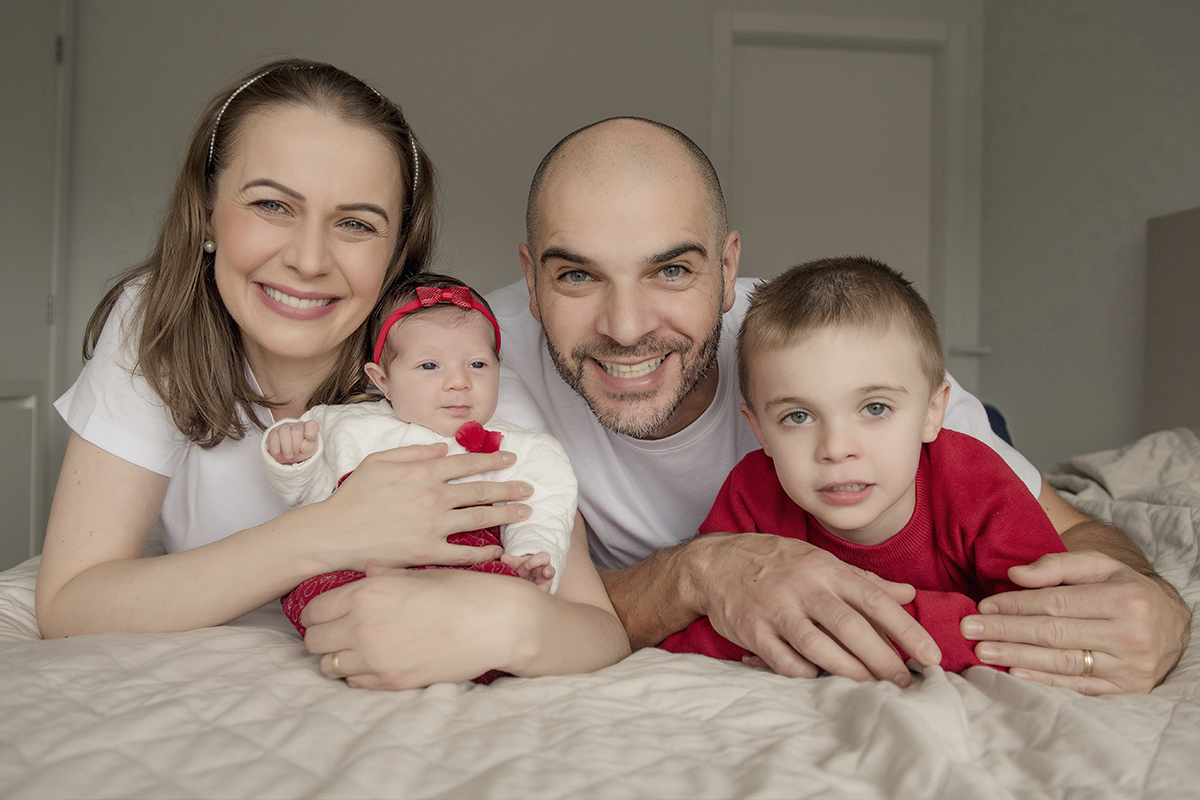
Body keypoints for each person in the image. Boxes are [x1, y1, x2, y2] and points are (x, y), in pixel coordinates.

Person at [301, 116, 1188, 695]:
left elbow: (1074, 534)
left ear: (730, 270)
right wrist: (701, 570)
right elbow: (528, 593)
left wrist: (1153, 600)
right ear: (530, 282)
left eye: (673, 270)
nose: (624, 328)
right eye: (577, 275)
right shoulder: (473, 365)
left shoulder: (825, 359)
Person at [34, 59, 630, 690]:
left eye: (355, 224)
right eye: (272, 204)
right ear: (207, 213)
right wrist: (327, 533)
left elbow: (596, 629)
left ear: (397, 248)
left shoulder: (450, 370)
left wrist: (505, 620)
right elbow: (70, 603)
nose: (309, 260)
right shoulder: (155, 323)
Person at [659, 257, 1068, 673]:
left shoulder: (977, 481)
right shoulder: (750, 493)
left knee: (995, 430)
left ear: (932, 411)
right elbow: (698, 630)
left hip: (951, 457)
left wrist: (843, 627)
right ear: (760, 430)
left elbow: (1043, 625)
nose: (837, 449)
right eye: (797, 416)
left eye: (874, 408)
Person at [263, 273, 574, 637]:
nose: (458, 381)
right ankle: (377, 631)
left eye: (477, 364)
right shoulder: (344, 426)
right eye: (429, 366)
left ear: (498, 369)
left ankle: (453, 639)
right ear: (382, 380)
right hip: (364, 567)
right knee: (315, 591)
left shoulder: (525, 449)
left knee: (506, 599)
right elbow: (312, 504)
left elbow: (543, 513)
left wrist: (531, 556)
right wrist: (296, 460)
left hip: (463, 570)